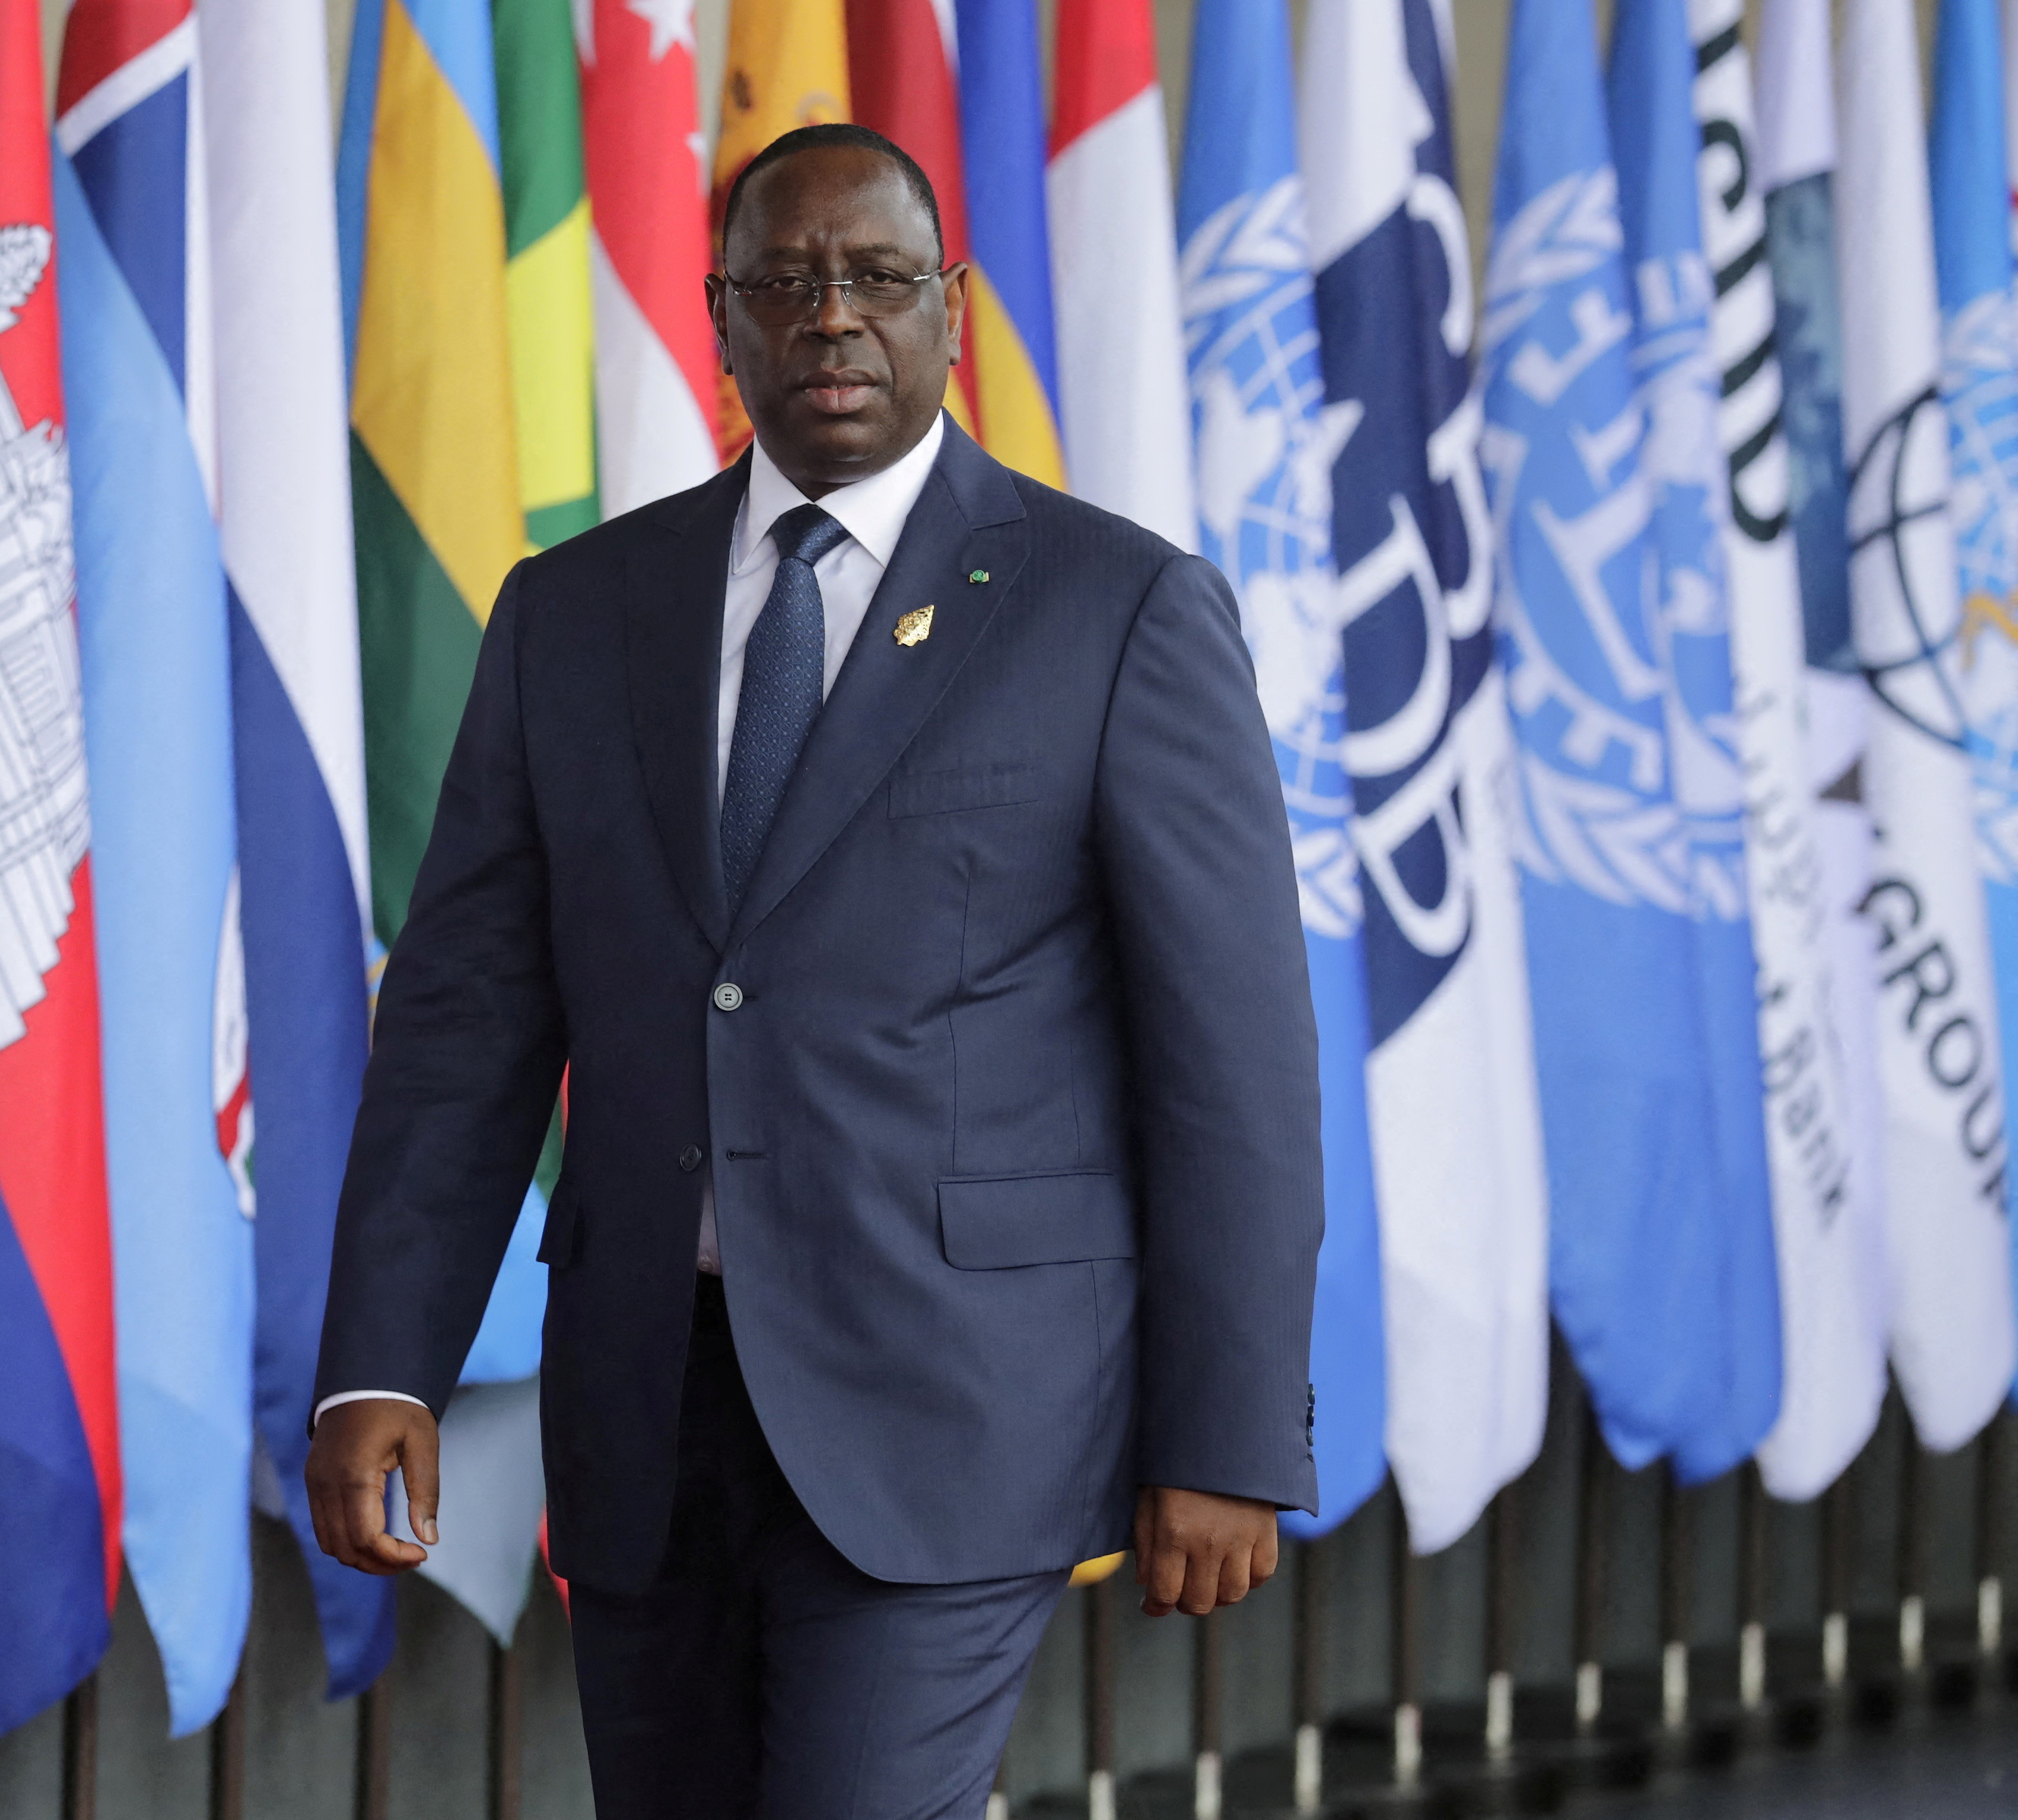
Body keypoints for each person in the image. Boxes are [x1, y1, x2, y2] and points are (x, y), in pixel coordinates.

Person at [304, 124, 1322, 1818]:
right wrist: (382, 1361)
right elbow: (466, 1024)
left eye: (876, 279)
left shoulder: (1116, 609)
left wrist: (1222, 1438)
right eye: (786, 281)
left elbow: (1232, 1065)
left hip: (951, 1411)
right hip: (648, 1411)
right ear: (719, 320)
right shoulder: (572, 613)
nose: (832, 316)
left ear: (952, 315)